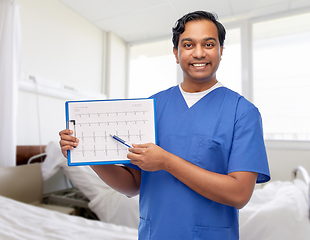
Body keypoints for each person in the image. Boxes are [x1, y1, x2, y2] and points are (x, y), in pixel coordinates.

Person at [59, 11, 270, 240]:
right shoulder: (151, 107)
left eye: (209, 44)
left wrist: (167, 161)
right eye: (188, 45)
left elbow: (239, 194)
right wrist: (86, 154)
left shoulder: (243, 112)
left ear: (221, 51)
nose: (199, 53)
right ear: (176, 53)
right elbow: (132, 185)